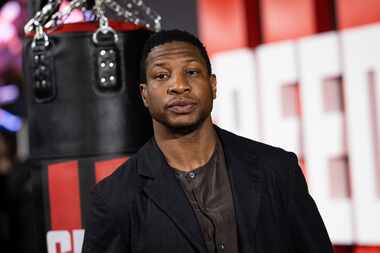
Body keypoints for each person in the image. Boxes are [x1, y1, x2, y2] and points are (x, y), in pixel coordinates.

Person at [82, 30, 334, 253]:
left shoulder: (278, 169)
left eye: (191, 72)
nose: (179, 86)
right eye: (161, 76)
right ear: (145, 94)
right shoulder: (113, 198)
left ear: (213, 85)